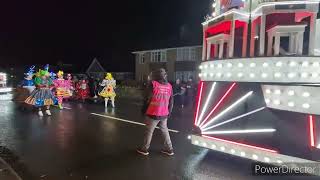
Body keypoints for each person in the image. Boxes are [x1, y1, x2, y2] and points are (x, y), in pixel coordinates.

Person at [137, 68, 174, 156]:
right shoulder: (169, 86)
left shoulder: (153, 84)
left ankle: (144, 149)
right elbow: (171, 101)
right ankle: (170, 149)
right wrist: (169, 112)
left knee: (149, 131)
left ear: (156, 76)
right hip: (164, 113)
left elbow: (146, 98)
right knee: (165, 131)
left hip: (153, 113)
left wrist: (143, 110)